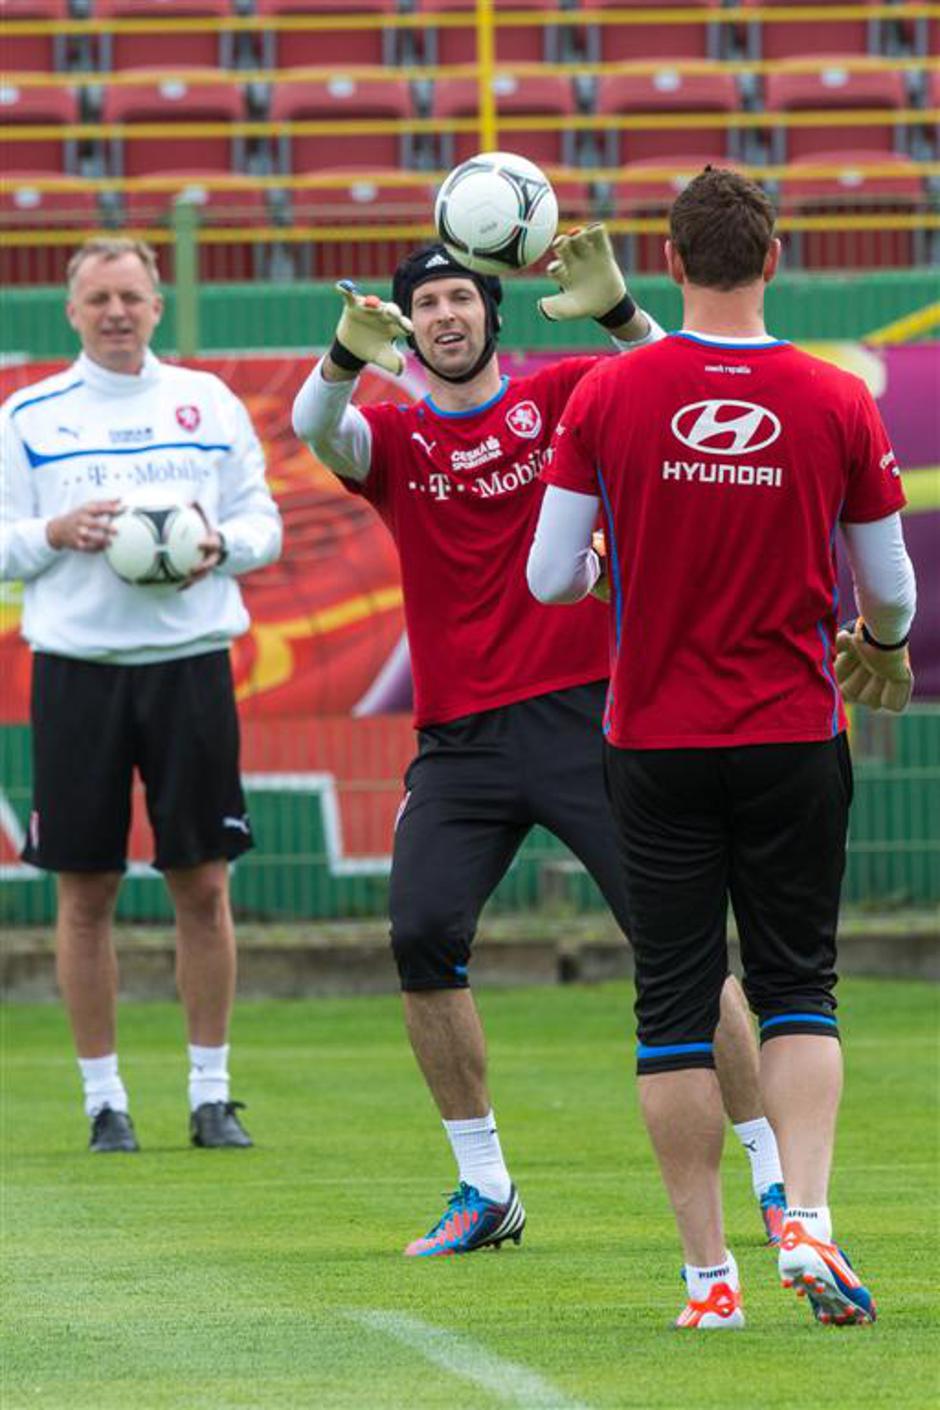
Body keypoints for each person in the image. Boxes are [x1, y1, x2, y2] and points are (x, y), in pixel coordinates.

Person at [291, 226, 787, 1256]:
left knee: (680, 945)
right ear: (407, 330)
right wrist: (340, 357)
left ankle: (776, 1181)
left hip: (589, 714)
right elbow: (315, 428)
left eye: (461, 299)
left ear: (492, 313)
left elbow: (669, 381)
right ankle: (485, 1187)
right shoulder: (392, 439)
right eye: (425, 305)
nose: (444, 315)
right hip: (461, 740)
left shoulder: (562, 397)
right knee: (421, 934)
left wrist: (615, 309)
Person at [528, 166, 916, 1327]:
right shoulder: (836, 397)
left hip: (651, 739)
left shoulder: (609, 395)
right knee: (799, 988)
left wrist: (607, 571)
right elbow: (889, 593)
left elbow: (551, 576)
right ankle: (805, 1213)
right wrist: (876, 643)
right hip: (793, 732)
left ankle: (708, 1282)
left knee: (673, 1007)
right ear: (775, 256)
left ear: (672, 258)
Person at [0, 238, 282, 1154]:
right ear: (71, 312)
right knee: (87, 892)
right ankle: (104, 1101)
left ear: (157, 306)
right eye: (98, 299)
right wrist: (53, 528)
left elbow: (263, 526)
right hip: (78, 668)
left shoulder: (209, 402)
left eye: (131, 296)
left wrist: (217, 544)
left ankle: (211, 1094)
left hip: (189, 660)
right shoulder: (30, 415)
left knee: (202, 884)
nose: (116, 312)